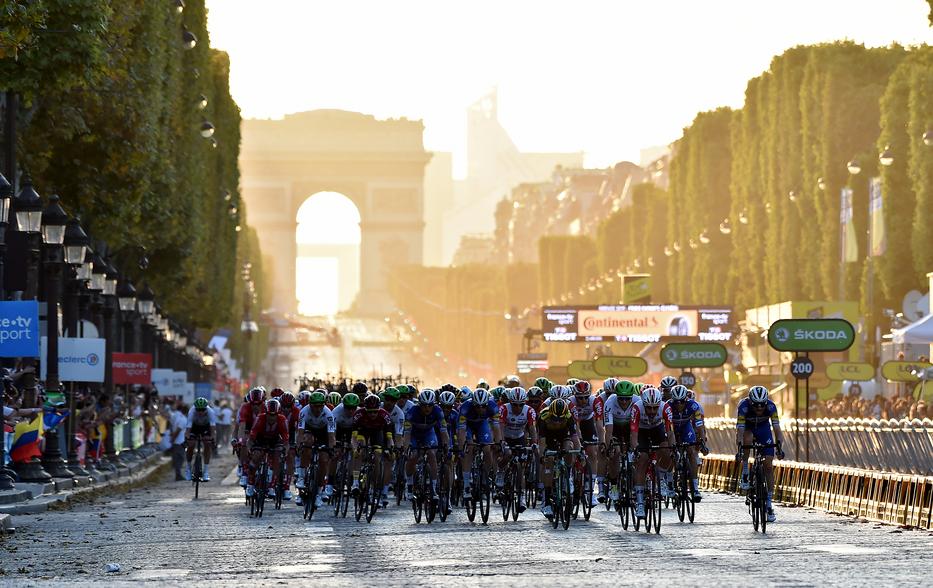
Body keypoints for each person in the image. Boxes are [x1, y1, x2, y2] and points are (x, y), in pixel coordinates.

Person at [736, 385, 785, 523]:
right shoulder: (743, 406)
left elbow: (777, 428)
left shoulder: (771, 407)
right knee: (747, 439)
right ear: (750, 402)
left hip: (764, 430)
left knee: (768, 466)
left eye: (762, 405)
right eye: (756, 405)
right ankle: (745, 471)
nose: (759, 408)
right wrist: (739, 448)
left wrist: (780, 447)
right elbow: (739, 431)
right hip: (748, 429)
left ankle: (769, 504)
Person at [633, 386, 674, 518]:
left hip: (657, 428)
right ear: (643, 404)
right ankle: (639, 503)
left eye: (655, 408)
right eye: (649, 407)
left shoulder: (665, 407)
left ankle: (660, 477)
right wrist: (635, 450)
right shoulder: (637, 407)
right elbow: (633, 434)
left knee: (667, 451)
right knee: (642, 460)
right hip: (641, 431)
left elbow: (670, 431)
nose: (652, 411)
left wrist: (673, 448)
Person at [402, 389, 449, 500]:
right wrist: (407, 447)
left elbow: (444, 431)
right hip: (414, 434)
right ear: (419, 404)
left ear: (434, 404)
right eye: (424, 405)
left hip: (429, 434)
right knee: (413, 456)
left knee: (432, 454)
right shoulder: (412, 412)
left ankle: (433, 488)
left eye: (430, 405)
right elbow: (407, 434)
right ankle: (409, 485)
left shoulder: (438, 411)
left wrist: (446, 445)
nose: (427, 408)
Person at [536, 397, 578, 518]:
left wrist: (579, 452)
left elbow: (575, 438)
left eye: (561, 419)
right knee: (548, 460)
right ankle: (547, 502)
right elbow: (542, 443)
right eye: (555, 419)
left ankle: (568, 476)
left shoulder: (569, 416)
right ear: (550, 414)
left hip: (563, 435)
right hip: (548, 437)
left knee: (570, 448)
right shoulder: (543, 417)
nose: (558, 422)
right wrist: (542, 456)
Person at [497, 386, 538, 512]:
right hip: (506, 437)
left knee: (521, 466)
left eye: (521, 405)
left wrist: (534, 443)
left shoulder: (529, 411)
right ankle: (501, 473)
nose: (517, 408)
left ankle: (521, 497)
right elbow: (500, 427)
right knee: (508, 454)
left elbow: (532, 429)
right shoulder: (504, 409)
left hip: (520, 437)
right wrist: (502, 442)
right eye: (515, 405)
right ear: (510, 402)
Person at [668, 385, 709, 502]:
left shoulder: (693, 406)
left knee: (691, 452)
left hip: (686, 427)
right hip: (672, 429)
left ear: (686, 399)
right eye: (676, 402)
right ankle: (670, 481)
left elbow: (699, 425)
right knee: (671, 451)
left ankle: (695, 488)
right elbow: (667, 428)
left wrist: (702, 442)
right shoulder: (668, 406)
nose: (679, 404)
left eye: (682, 402)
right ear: (672, 400)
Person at [296, 390, 336, 508]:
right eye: (315, 406)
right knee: (307, 443)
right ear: (310, 405)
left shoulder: (328, 414)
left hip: (323, 433)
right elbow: (300, 433)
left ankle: (318, 492)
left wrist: (331, 449)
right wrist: (299, 445)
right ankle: (302, 477)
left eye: (320, 406)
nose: (318, 409)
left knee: (324, 459)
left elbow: (331, 436)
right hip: (309, 430)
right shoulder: (304, 412)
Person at [457, 388, 500, 495]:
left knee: (487, 448)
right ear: (473, 403)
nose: (481, 409)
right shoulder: (465, 407)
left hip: (482, 424)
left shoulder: (493, 406)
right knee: (469, 448)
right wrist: (461, 447)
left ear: (487, 404)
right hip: (468, 426)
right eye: (477, 406)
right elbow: (461, 430)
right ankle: (466, 483)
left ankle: (485, 478)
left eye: (484, 406)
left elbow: (496, 427)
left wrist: (499, 443)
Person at [603, 380, 640, 503]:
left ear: (632, 397)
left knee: (636, 454)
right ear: (617, 396)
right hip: (615, 428)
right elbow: (608, 430)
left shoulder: (637, 401)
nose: (624, 402)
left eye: (627, 399)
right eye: (621, 399)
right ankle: (613, 485)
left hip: (631, 428)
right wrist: (609, 449)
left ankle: (635, 485)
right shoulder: (610, 403)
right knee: (616, 452)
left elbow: (638, 428)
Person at [570, 380, 603, 507]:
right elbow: (575, 426)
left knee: (593, 452)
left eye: (585, 397)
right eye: (580, 398)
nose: (583, 401)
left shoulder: (595, 401)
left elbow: (600, 425)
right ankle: (571, 478)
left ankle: (589, 490)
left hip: (588, 423)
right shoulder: (571, 402)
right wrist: (579, 442)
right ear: (575, 396)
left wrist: (602, 442)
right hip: (575, 425)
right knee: (573, 450)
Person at [184, 397, 217, 481]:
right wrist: (187, 438)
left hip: (205, 427)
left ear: (206, 408)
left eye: (203, 410)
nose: (200, 412)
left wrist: (212, 438)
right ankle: (188, 469)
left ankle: (206, 471)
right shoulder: (191, 411)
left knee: (207, 444)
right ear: (195, 408)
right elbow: (188, 428)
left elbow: (213, 428)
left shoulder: (211, 412)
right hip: (194, 427)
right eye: (198, 410)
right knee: (191, 444)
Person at [170, 402, 188, 481]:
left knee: (178, 459)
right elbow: (178, 430)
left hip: (178, 442)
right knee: (179, 459)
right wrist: (173, 438)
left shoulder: (177, 417)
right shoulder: (183, 419)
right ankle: (178, 475)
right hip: (179, 442)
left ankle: (178, 474)